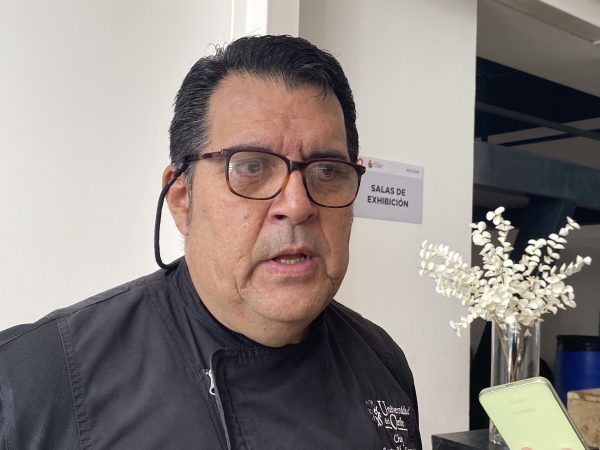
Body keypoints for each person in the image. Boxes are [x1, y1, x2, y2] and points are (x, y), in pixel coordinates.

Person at [0, 35, 421, 449]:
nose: (297, 205)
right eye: (251, 167)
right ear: (182, 197)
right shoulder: (34, 378)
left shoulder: (382, 360)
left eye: (327, 171)